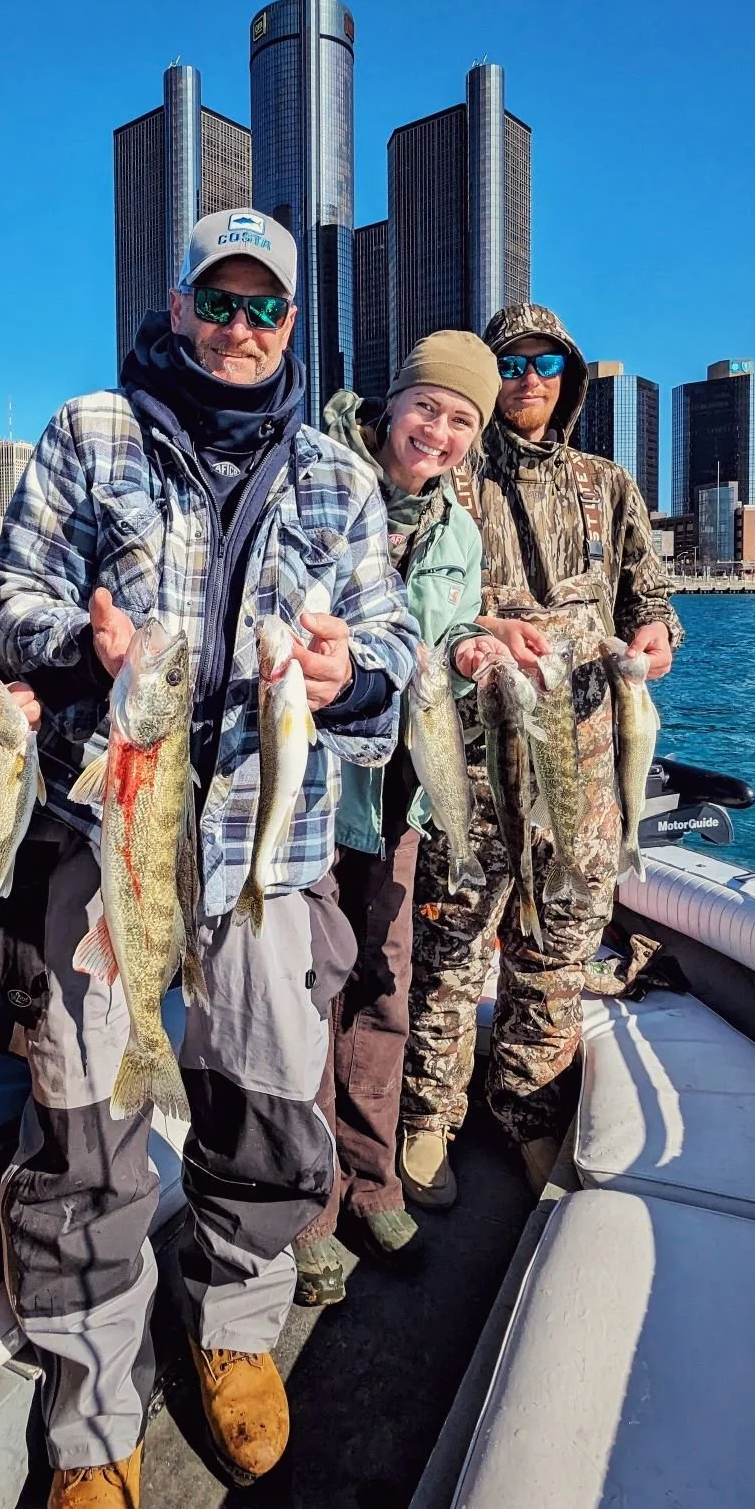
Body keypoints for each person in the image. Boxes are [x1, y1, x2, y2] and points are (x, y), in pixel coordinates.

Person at [0, 208, 416, 1509]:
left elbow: (396, 662)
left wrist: (352, 674)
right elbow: (16, 598)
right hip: (106, 846)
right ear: (177, 306)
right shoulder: (90, 429)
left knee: (277, 1106)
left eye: (266, 311)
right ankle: (91, 1437)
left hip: (271, 854)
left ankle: (233, 1324)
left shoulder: (341, 478)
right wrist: (76, 647)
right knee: (88, 1138)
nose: (241, 330)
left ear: (294, 327)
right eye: (218, 304)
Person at [399, 302, 682, 1205]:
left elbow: (651, 592)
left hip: (589, 752)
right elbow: (415, 579)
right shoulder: (454, 470)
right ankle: (427, 1114)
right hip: (477, 752)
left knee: (559, 941)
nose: (528, 378)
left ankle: (528, 1105)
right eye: (510, 363)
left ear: (569, 378)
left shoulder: (610, 483)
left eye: (545, 364)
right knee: (450, 939)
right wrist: (483, 632)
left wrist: (655, 632)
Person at [293, 331, 506, 1305]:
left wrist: (469, 649)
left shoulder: (461, 533)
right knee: (301, 999)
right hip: (302, 791)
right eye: (430, 407)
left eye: (463, 420)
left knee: (384, 987)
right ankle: (304, 1214)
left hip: (397, 801)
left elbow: (441, 634)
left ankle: (371, 1181)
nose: (442, 431)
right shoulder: (313, 479)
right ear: (393, 403)